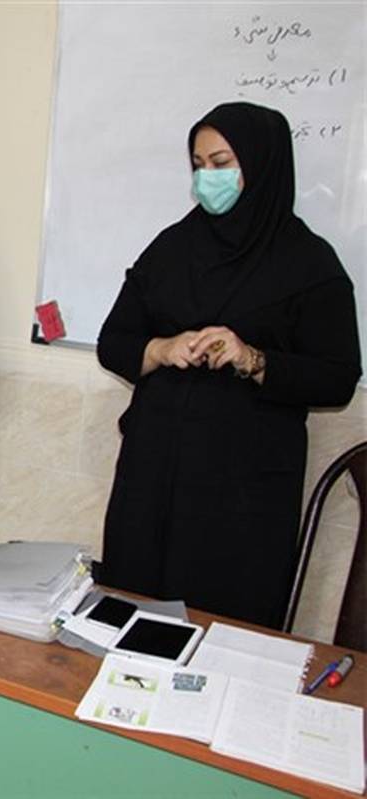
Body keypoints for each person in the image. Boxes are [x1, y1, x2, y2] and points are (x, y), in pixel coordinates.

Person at [97, 101, 362, 629]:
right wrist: (162, 349)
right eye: (198, 165)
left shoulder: (310, 264)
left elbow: (337, 377)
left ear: (262, 165)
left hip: (244, 495)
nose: (205, 178)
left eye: (220, 164)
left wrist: (251, 358)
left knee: (224, 631)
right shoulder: (172, 248)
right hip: (153, 474)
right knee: (132, 620)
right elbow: (114, 341)